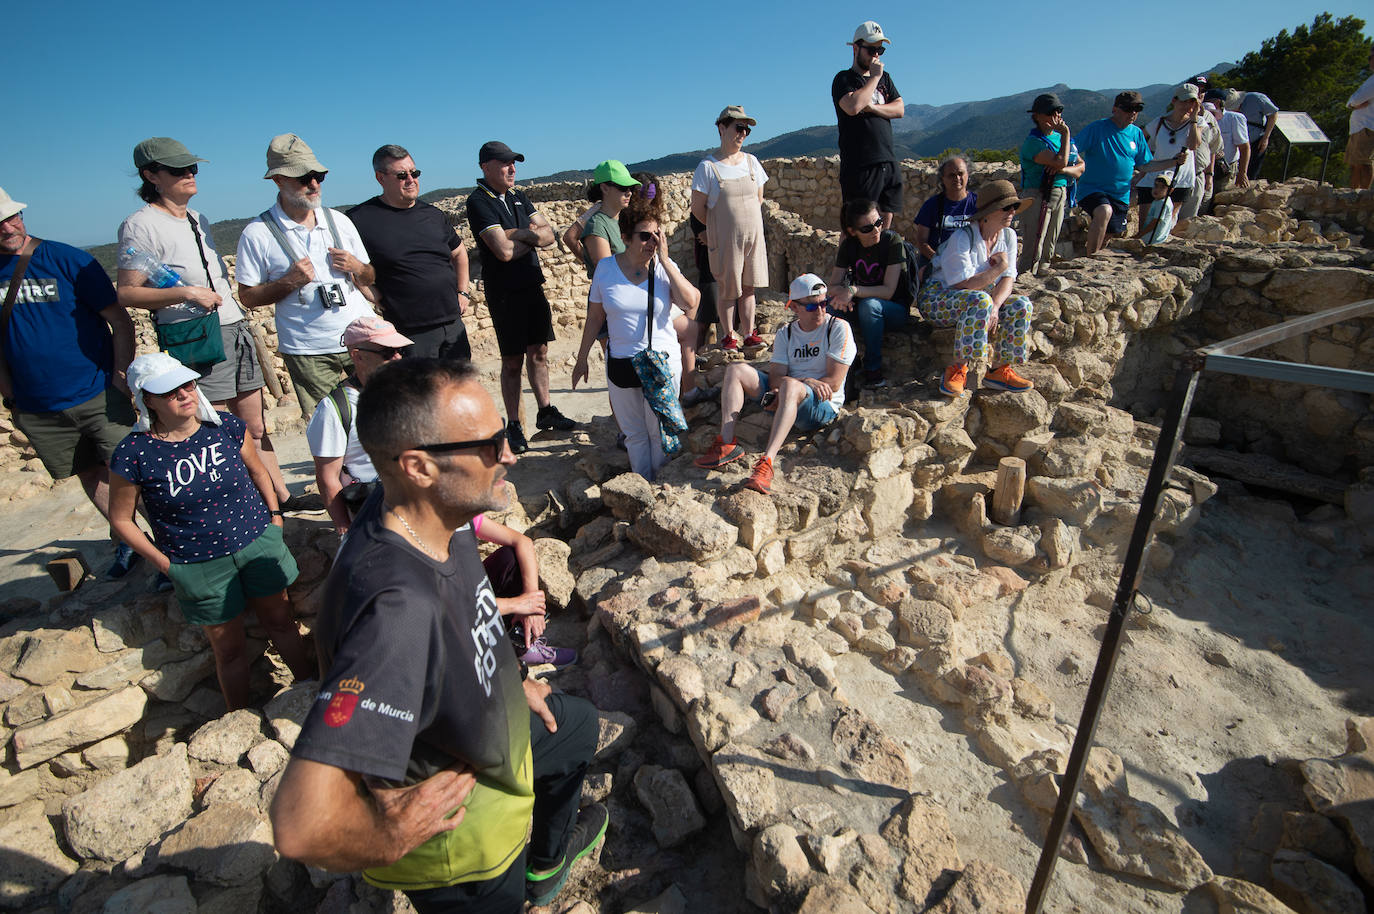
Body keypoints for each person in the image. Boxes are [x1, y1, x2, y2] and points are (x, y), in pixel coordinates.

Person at [269, 358, 606, 914]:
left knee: (577, 729)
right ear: (418, 466)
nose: (510, 454)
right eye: (490, 444)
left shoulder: (427, 514)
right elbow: (301, 824)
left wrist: (506, 679)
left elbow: (466, 613)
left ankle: (545, 865)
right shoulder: (398, 608)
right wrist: (387, 836)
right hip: (466, 839)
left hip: (497, 730)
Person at [108, 352, 311, 711]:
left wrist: (275, 519)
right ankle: (239, 718)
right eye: (171, 391)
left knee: (281, 622)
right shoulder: (134, 454)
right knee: (228, 650)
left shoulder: (227, 428)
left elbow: (258, 472)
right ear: (147, 400)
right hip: (197, 562)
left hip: (257, 543)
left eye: (187, 384)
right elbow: (122, 519)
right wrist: (167, 565)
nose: (185, 393)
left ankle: (310, 692)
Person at [118, 138, 294, 512]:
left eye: (192, 168)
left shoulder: (198, 218)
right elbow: (128, 293)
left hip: (232, 327)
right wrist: (188, 293)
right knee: (214, 430)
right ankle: (241, 505)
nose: (190, 175)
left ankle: (280, 498)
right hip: (193, 336)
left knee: (254, 426)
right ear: (151, 175)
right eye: (178, 170)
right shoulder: (140, 226)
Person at [0, 188, 139, 578]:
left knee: (130, 471)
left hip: (96, 389)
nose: (8, 227)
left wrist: (119, 376)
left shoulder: (64, 258)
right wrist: (10, 396)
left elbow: (119, 320)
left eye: (12, 217)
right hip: (37, 404)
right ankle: (127, 543)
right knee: (90, 474)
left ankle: (168, 547)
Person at [235, 134, 375, 420]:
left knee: (382, 417)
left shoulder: (339, 221)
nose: (313, 184)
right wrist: (289, 282)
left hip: (361, 337)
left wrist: (357, 267)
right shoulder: (258, 233)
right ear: (278, 180)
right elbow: (247, 296)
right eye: (303, 177)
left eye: (318, 176)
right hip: (308, 349)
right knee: (332, 428)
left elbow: (370, 276)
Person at [694, 274, 855, 496]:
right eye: (811, 306)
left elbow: (834, 383)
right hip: (786, 393)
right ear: (795, 307)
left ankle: (767, 462)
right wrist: (794, 384)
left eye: (824, 303)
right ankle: (727, 442)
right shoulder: (786, 333)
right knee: (736, 370)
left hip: (821, 406)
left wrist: (794, 385)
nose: (820, 310)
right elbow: (776, 377)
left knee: (790, 385)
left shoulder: (837, 328)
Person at [571, 201, 700, 481]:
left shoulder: (665, 267)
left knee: (658, 431)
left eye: (657, 234)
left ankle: (659, 486)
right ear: (626, 238)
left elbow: (691, 302)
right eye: (645, 235)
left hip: (661, 364)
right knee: (634, 433)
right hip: (621, 363)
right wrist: (581, 358)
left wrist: (665, 260)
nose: (652, 241)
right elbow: (595, 317)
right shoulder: (605, 270)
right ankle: (642, 486)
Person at [467, 141, 575, 454]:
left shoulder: (518, 195)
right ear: (486, 167)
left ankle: (546, 411)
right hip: (505, 293)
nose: (512, 169)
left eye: (514, 163)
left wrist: (516, 234)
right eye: (504, 164)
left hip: (531, 284)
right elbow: (501, 252)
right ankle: (514, 424)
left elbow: (550, 235)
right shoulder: (478, 202)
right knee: (512, 360)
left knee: (539, 350)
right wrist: (529, 234)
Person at [348, 145, 472, 360]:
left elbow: (459, 253)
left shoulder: (433, 215)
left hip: (452, 324)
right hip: (409, 332)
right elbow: (351, 268)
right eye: (401, 175)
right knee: (421, 393)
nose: (411, 180)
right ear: (381, 178)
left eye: (414, 173)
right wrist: (375, 296)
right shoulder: (359, 220)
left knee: (460, 390)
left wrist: (463, 292)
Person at [918, 180, 1035, 399]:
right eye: (1006, 207)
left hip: (979, 297)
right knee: (980, 300)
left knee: (1021, 304)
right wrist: (1000, 266)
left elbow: (1008, 280)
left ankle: (999, 370)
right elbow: (964, 284)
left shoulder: (1007, 236)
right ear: (988, 213)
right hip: (937, 297)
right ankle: (957, 370)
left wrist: (996, 306)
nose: (1012, 212)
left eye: (1014, 207)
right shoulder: (963, 238)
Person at [306, 315, 412, 536]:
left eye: (400, 350)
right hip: (375, 513)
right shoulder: (334, 409)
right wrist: (346, 531)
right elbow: (327, 478)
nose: (397, 357)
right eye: (387, 352)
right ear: (358, 356)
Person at [691, 106, 768, 352]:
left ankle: (748, 333)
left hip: (752, 237)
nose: (743, 134)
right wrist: (718, 229)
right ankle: (728, 335)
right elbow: (697, 208)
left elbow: (759, 198)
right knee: (727, 287)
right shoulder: (708, 168)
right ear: (722, 128)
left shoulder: (752, 162)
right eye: (738, 127)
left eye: (746, 130)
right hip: (725, 238)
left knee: (748, 286)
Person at [826, 198, 913, 389]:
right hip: (861, 304)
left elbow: (888, 291)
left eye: (878, 223)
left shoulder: (891, 241)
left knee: (870, 306)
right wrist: (843, 296)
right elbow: (832, 286)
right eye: (867, 229)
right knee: (828, 305)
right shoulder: (849, 246)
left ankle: (873, 369)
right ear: (852, 232)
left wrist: (853, 290)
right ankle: (836, 363)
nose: (876, 231)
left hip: (894, 309)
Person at [832, 21, 905, 230]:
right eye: (871, 49)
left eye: (880, 50)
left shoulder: (886, 79)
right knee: (856, 228)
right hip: (860, 165)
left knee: (884, 227)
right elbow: (853, 106)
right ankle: (849, 264)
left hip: (887, 160)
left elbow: (899, 109)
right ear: (855, 49)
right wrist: (873, 78)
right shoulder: (844, 79)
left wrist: (872, 108)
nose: (876, 55)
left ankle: (880, 263)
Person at [1075, 91, 1153, 255]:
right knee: (1104, 211)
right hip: (1093, 188)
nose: (1132, 113)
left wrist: (1173, 162)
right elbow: (1074, 147)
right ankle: (1090, 259)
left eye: (1137, 109)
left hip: (1120, 194)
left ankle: (1093, 256)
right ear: (1115, 109)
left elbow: (1145, 164)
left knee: (1110, 232)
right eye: (1128, 108)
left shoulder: (1136, 133)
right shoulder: (1098, 128)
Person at [1018, 95, 1083, 276]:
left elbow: (1080, 166)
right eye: (1050, 113)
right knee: (1034, 244)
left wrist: (1063, 171)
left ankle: (1042, 275)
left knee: (1050, 242)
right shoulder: (1034, 142)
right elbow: (1062, 161)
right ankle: (1025, 279)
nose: (1055, 116)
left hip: (1060, 190)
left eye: (1058, 112)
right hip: (1039, 193)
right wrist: (1066, 134)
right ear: (1038, 116)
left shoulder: (1061, 140)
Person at [1134, 86, 1202, 233]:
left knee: (1164, 227)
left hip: (1180, 179)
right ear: (1174, 101)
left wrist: (1194, 119)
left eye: (1192, 102)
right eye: (1184, 101)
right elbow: (1139, 139)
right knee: (1145, 227)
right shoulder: (1159, 122)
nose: (1187, 105)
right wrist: (1140, 165)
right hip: (1153, 178)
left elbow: (1193, 145)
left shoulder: (1197, 124)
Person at [562, 161, 639, 279]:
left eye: (631, 188)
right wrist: (590, 262)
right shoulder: (597, 224)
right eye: (623, 187)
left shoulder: (623, 219)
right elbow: (608, 274)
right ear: (604, 188)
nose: (629, 193)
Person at [912, 156, 978, 277]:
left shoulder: (977, 204)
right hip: (936, 261)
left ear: (968, 174)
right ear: (943, 178)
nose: (957, 178)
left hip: (969, 261)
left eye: (960, 173)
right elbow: (922, 242)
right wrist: (940, 260)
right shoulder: (932, 205)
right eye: (951, 175)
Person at [1206, 89, 1251, 197]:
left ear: (1216, 103)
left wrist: (1242, 172)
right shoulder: (1202, 118)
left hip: (1225, 168)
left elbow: (1244, 147)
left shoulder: (1234, 118)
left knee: (1220, 198)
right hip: (1205, 167)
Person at [1227, 88, 1279, 180]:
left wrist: (1266, 137)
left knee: (1251, 172)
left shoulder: (1256, 98)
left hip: (1256, 140)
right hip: (1237, 144)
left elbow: (1273, 114)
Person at [1346, 45, 1374, 190]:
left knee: (1363, 163)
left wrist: (1351, 104)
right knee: (1357, 163)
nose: (1369, 61)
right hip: (1362, 126)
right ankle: (1355, 194)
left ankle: (1362, 196)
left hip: (1366, 126)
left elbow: (1355, 100)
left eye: (1370, 58)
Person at [1139, 175, 1177, 244]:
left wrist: (1140, 235)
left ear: (1170, 190)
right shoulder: (1162, 200)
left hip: (1152, 239)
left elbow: (1155, 222)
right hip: (1156, 238)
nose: (1157, 190)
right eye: (1156, 185)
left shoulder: (1162, 203)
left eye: (1162, 187)